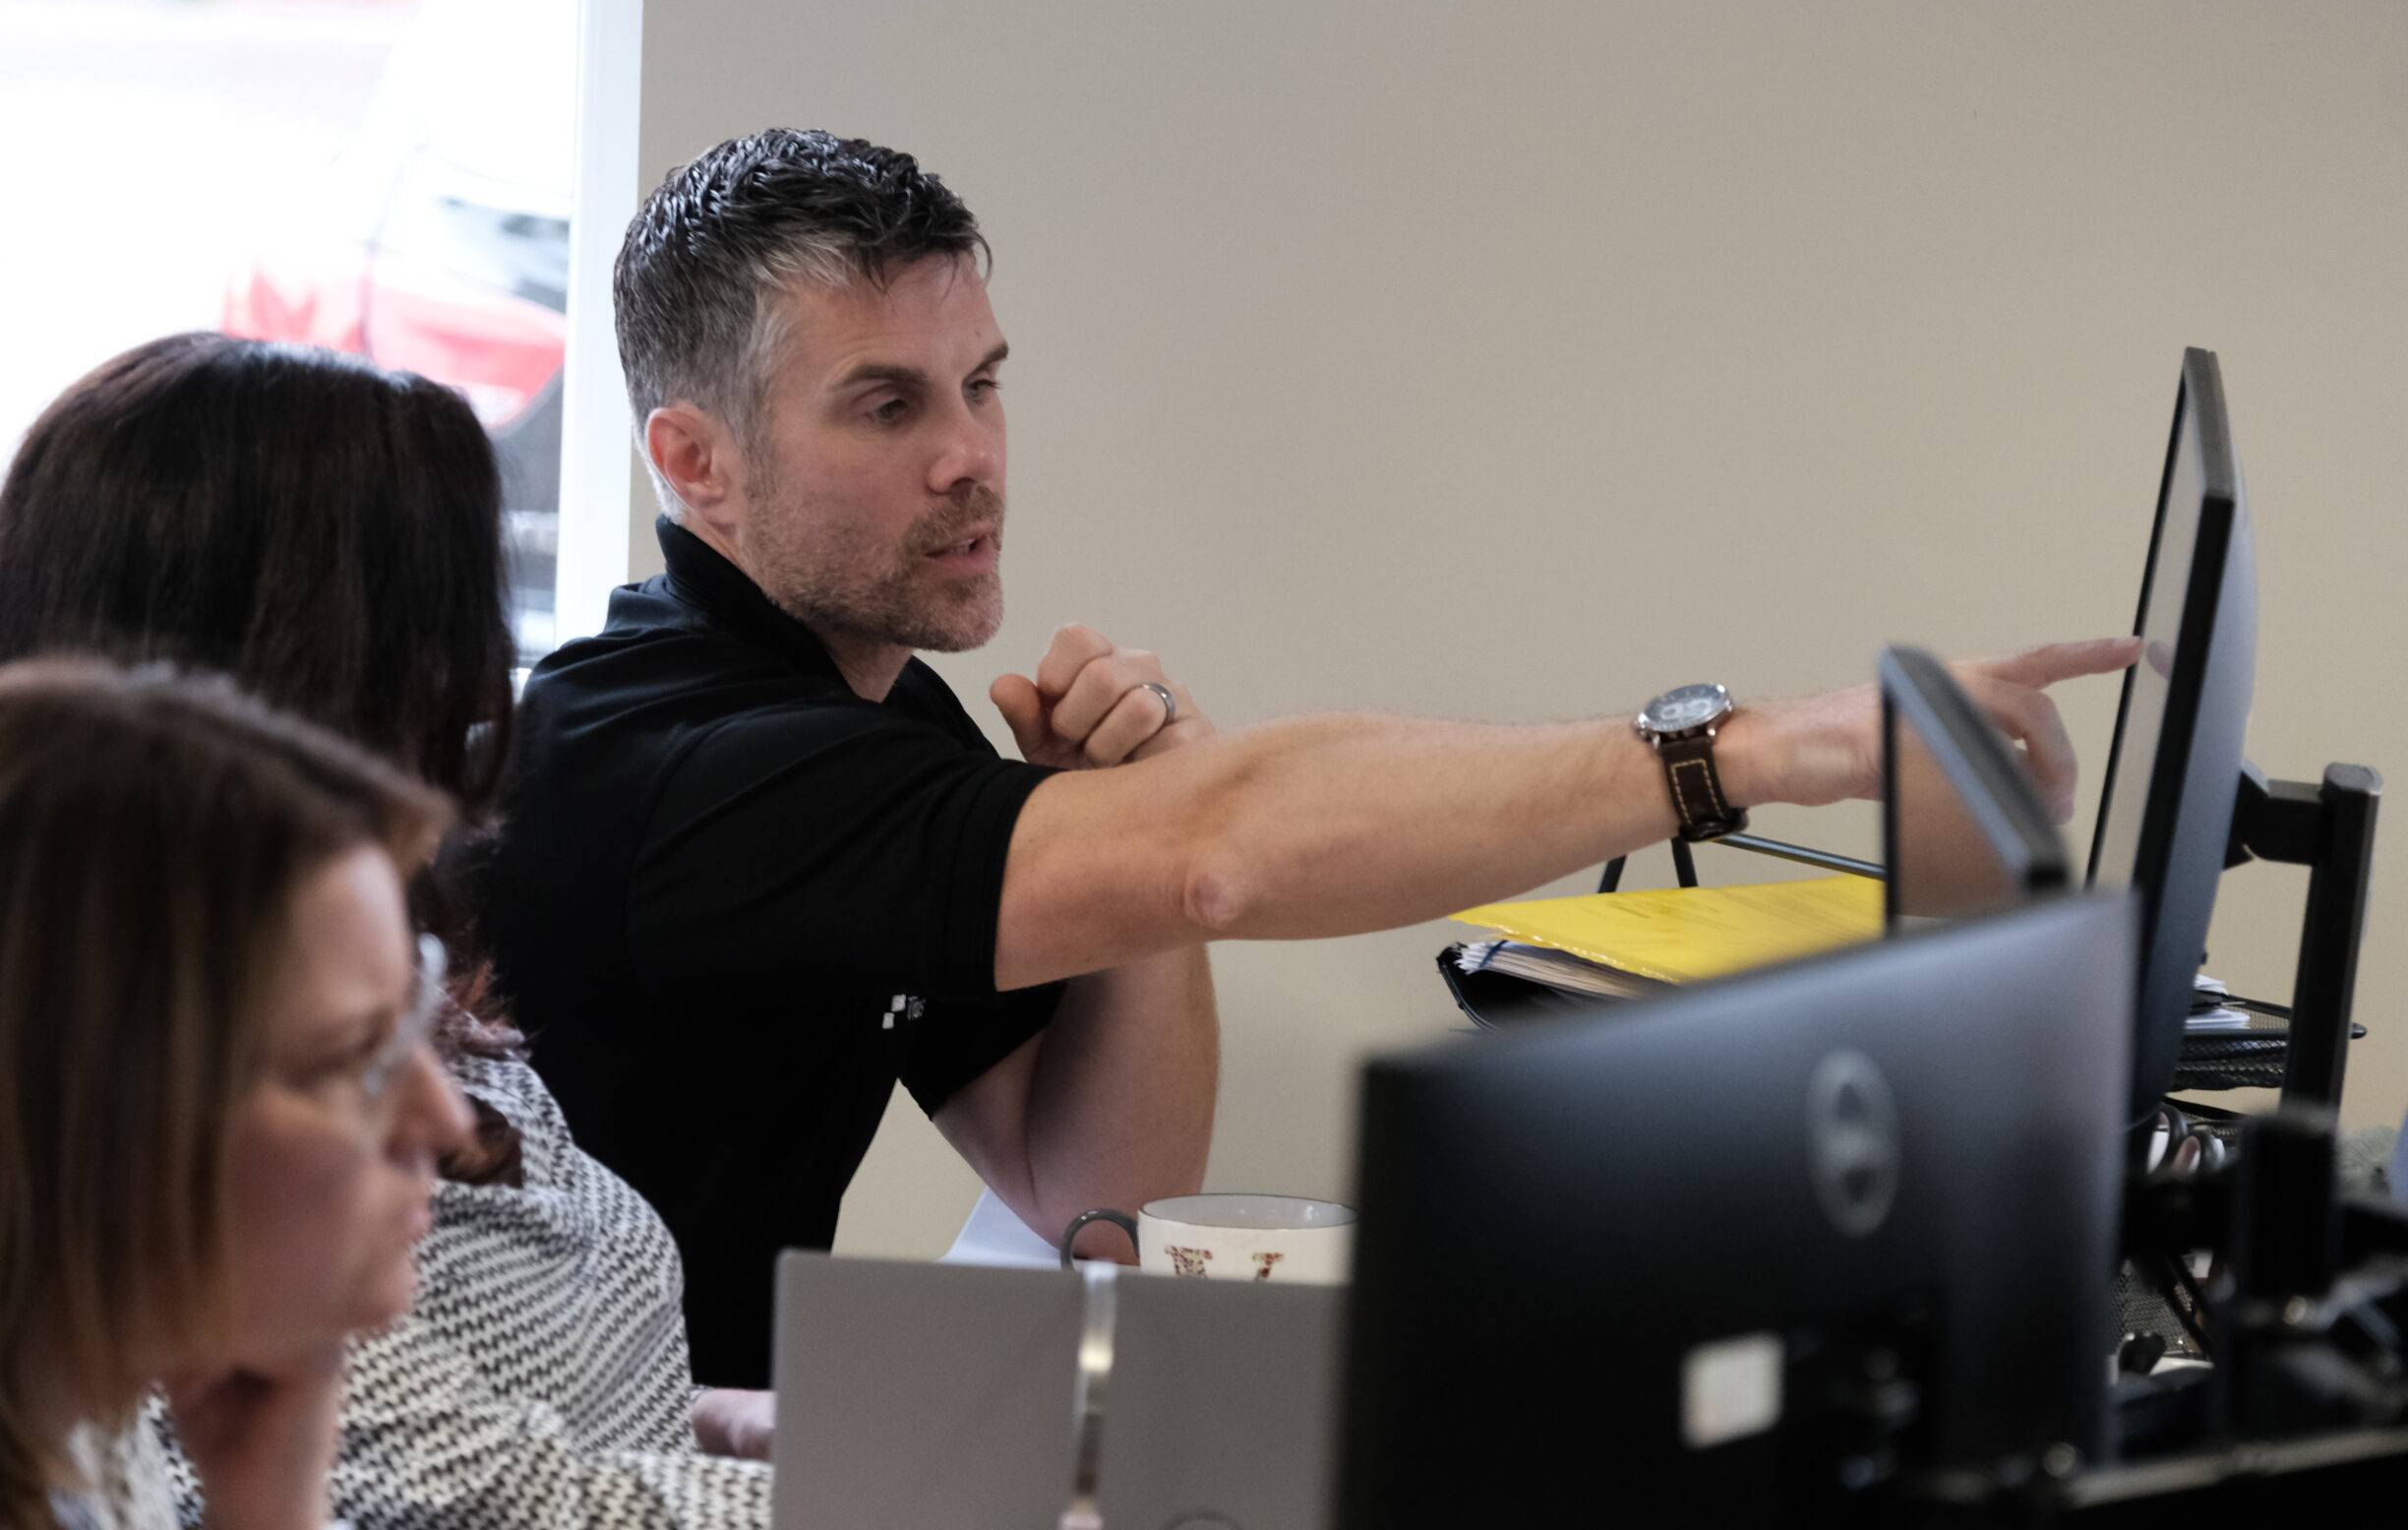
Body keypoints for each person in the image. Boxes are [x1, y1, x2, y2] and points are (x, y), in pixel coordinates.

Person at [480, 128, 2137, 1386]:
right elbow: (1237, 846)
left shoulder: (872, 707)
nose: (972, 460)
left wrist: (1120, 838)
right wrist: (1758, 750)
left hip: (702, 1472)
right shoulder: (683, 764)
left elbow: (1099, 1186)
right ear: (694, 462)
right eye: (889, 408)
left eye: (982, 386)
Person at [0, 333, 773, 1530]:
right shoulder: (57, 1318)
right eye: (432, 649)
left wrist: (717, 1424)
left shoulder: (365, 961)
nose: (470, 704)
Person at [0, 661, 470, 1530]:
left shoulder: (76, 1381)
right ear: (87, 1107)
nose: (443, 1119)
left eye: (410, 1027)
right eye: (349, 1059)